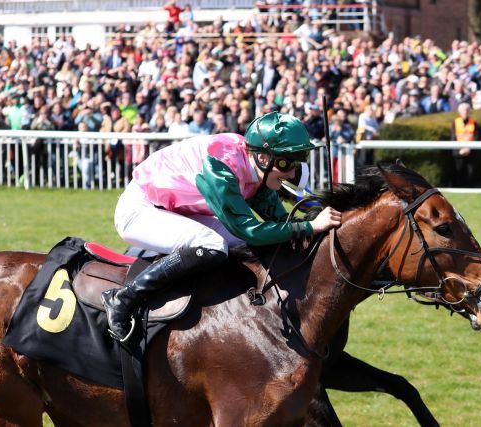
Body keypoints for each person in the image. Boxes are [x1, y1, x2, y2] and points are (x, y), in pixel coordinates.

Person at [102, 112, 342, 342]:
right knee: (214, 245)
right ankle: (123, 298)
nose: (291, 173)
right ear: (263, 157)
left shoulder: (256, 170)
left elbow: (280, 223)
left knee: (243, 247)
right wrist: (310, 226)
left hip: (174, 208)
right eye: (288, 163)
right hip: (141, 209)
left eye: (298, 164)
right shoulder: (222, 166)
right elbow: (248, 229)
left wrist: (323, 223)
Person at [451, 103, 478, 187]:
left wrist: (468, 149)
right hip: (458, 152)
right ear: (459, 112)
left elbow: (476, 137)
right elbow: (453, 138)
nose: (465, 112)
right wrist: (460, 150)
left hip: (470, 151)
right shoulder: (455, 122)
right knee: (458, 171)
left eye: (466, 110)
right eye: (463, 110)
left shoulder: (474, 122)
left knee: (470, 172)